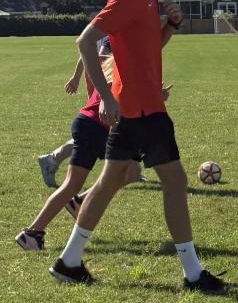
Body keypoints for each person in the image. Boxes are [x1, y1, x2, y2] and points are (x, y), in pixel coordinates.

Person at [50, 0, 224, 292]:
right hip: (140, 109)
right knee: (173, 181)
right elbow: (86, 41)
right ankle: (193, 274)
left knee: (111, 181)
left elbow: (147, 49)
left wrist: (170, 26)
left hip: (141, 106)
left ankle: (69, 261)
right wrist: (106, 96)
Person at [16, 46, 146, 251]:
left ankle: (41, 228)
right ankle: (35, 231)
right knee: (123, 172)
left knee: (127, 172)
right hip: (95, 127)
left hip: (89, 124)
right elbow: (124, 103)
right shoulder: (128, 67)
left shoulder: (118, 62)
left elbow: (94, 58)